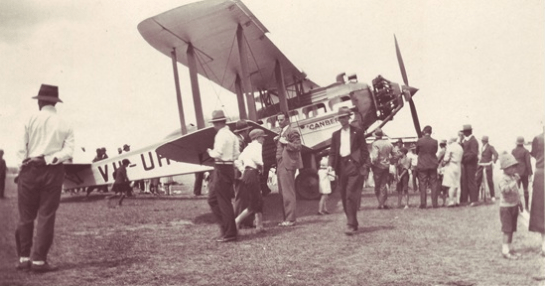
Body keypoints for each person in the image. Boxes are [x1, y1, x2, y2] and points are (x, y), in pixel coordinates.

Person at [15, 84, 74, 272]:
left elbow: (20, 148)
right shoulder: (65, 123)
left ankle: (24, 258)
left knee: (26, 217)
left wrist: (21, 167)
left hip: (29, 169)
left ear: (40, 101)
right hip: (53, 170)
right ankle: (39, 261)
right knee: (46, 216)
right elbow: (69, 150)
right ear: (55, 102)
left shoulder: (30, 119)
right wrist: (50, 158)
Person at [328, 107, 369, 235]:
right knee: (344, 195)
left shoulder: (358, 132)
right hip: (341, 167)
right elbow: (333, 152)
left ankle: (350, 225)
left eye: (344, 117)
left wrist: (359, 163)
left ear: (349, 117)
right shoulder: (335, 135)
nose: (342, 119)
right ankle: (353, 222)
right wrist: (330, 166)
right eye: (340, 117)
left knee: (350, 195)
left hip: (353, 166)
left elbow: (364, 150)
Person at [207, 110, 239, 242]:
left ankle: (229, 232)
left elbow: (217, 153)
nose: (214, 126)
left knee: (222, 201)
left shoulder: (220, 135)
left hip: (220, 167)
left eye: (214, 123)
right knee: (215, 199)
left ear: (219, 123)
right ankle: (226, 229)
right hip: (229, 167)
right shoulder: (232, 136)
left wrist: (210, 152)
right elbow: (236, 154)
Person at [234, 129, 267, 233]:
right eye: (262, 137)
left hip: (248, 174)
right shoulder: (257, 145)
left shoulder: (248, 147)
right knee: (254, 202)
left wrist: (244, 170)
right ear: (257, 138)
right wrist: (261, 165)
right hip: (252, 174)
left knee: (258, 200)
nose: (264, 139)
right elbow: (255, 157)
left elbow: (238, 160)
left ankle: (259, 226)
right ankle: (236, 221)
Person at [275, 112, 303, 226]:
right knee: (282, 192)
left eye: (281, 120)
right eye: (278, 120)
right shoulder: (282, 132)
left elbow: (298, 146)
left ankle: (291, 219)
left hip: (286, 164)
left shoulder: (292, 131)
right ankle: (286, 218)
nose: (279, 122)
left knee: (288, 192)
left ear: (287, 120)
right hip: (281, 164)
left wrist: (286, 142)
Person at [497, 152, 524, 260]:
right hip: (506, 208)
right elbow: (505, 191)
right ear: (505, 168)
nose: (514, 169)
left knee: (512, 229)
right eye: (512, 167)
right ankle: (505, 251)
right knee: (507, 230)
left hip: (513, 206)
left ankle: (509, 249)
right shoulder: (503, 179)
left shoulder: (512, 177)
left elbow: (516, 192)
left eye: (515, 167)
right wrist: (514, 182)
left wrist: (519, 203)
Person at [233, 119, 254, 228]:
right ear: (244, 131)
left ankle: (244, 222)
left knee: (243, 197)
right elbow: (239, 159)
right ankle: (239, 222)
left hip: (240, 173)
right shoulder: (239, 142)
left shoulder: (239, 140)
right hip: (240, 173)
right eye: (247, 131)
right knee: (241, 198)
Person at [370, 128, 395, 209]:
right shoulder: (389, 143)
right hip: (386, 166)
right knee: (383, 185)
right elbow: (396, 154)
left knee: (377, 185)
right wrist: (390, 160)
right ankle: (383, 203)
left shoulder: (375, 144)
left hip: (377, 166)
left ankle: (380, 203)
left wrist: (373, 164)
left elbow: (375, 157)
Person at [529, 131, 544, 256]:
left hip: (541, 175)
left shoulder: (537, 138)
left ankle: (544, 246)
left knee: (541, 211)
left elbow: (534, 154)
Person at [512, 136, 533, 210]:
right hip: (524, 173)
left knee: (516, 190)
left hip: (516, 173)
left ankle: (517, 206)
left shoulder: (513, 151)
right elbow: (528, 163)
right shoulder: (526, 151)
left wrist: (512, 172)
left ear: (517, 143)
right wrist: (530, 174)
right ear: (523, 143)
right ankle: (526, 206)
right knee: (525, 189)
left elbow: (512, 162)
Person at [476, 135, 499, 202]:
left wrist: (493, 161)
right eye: (482, 141)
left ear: (485, 141)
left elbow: (496, 154)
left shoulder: (490, 147)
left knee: (490, 180)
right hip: (481, 164)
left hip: (488, 164)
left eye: (483, 141)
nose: (482, 142)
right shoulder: (481, 147)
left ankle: (492, 196)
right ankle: (476, 196)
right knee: (478, 179)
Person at [460, 124, 479, 206]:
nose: (463, 133)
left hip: (471, 164)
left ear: (468, 132)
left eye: (464, 132)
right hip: (466, 164)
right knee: (466, 181)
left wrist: (465, 159)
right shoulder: (466, 140)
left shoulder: (473, 141)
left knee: (471, 181)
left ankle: (474, 200)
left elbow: (474, 153)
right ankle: (466, 199)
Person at [442, 137, 464, 207]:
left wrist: (444, 162)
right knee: (458, 184)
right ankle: (458, 201)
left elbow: (446, 158)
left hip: (451, 165)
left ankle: (451, 201)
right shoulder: (460, 147)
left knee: (451, 184)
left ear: (450, 141)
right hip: (458, 165)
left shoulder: (450, 147)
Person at [436, 139, 448, 206]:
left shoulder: (442, 151)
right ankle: (444, 201)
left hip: (440, 169)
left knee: (439, 185)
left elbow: (437, 159)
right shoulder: (447, 150)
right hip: (446, 169)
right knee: (445, 186)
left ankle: (442, 200)